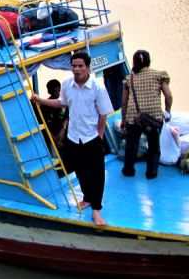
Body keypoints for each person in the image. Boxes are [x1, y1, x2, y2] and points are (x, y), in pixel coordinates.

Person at [31, 51, 113, 226]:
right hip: (74, 137)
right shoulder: (67, 85)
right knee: (80, 169)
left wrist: (99, 136)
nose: (77, 70)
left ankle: (96, 210)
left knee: (97, 174)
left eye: (80, 66)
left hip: (91, 137)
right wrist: (40, 101)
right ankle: (87, 198)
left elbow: (103, 114)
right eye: (74, 66)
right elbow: (61, 103)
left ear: (87, 67)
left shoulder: (97, 88)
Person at [120, 50, 173, 180]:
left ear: (134, 62)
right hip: (153, 118)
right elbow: (169, 96)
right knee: (154, 146)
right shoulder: (159, 75)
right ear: (149, 61)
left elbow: (124, 102)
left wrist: (123, 119)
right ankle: (151, 173)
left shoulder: (129, 78)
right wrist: (167, 111)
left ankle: (128, 170)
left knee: (131, 145)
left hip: (134, 117)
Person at [40, 79, 68, 149]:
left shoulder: (65, 101)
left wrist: (63, 130)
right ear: (49, 92)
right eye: (55, 91)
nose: (58, 93)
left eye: (59, 90)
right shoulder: (45, 106)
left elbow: (68, 117)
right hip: (52, 138)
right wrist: (55, 140)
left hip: (66, 135)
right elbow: (44, 124)